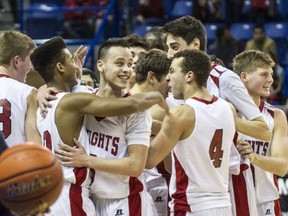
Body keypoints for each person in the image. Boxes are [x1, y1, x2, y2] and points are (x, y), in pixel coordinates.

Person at [30, 36, 167, 216]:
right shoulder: (79, 99)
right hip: (81, 196)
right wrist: (157, 97)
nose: (127, 69)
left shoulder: (59, 98)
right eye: (119, 63)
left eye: (130, 64)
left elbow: (135, 166)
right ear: (101, 65)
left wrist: (88, 160)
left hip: (125, 201)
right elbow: (131, 104)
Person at [145, 49, 236, 215]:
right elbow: (197, 138)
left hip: (192, 205)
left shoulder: (181, 114)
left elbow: (149, 160)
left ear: (189, 76)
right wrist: (162, 128)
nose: (167, 78)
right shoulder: (228, 108)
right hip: (223, 203)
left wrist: (139, 128)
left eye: (172, 71)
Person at [163, 15, 272, 141]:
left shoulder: (224, 78)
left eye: (175, 47)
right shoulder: (171, 80)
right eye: (168, 48)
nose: (169, 55)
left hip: (223, 160)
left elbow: (264, 131)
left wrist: (225, 119)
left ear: (195, 44)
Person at [232, 50, 288, 216]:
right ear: (244, 76)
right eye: (264, 74)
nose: (270, 80)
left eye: (271, 74)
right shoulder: (225, 111)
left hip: (265, 201)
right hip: (232, 197)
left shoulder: (276, 116)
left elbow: (282, 167)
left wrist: (254, 157)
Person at [130, 49, 172, 216]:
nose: (169, 82)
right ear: (151, 77)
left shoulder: (146, 111)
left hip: (142, 189)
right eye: (167, 78)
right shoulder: (128, 107)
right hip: (125, 191)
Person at [0, 30, 40, 147]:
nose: (31, 68)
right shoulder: (29, 93)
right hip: (15, 163)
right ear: (16, 61)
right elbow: (35, 147)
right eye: (30, 61)